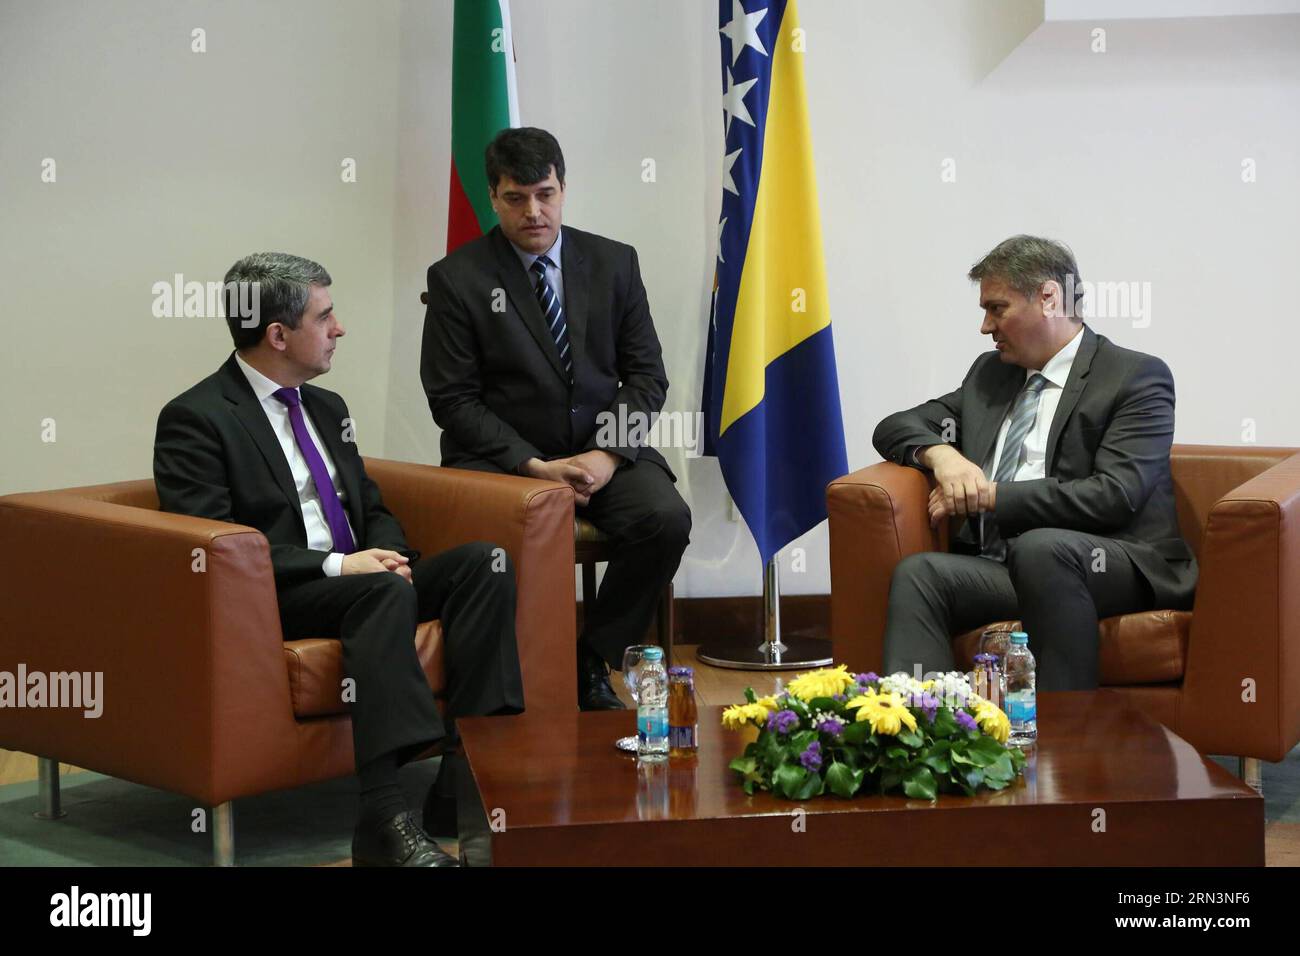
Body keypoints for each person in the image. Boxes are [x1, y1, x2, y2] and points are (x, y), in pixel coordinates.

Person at [154, 252, 524, 866]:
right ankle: (382, 815)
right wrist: (340, 568)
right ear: (278, 334)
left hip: (362, 580)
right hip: (279, 594)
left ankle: (462, 782)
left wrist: (392, 555)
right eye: (325, 316)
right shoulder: (197, 419)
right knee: (383, 592)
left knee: (484, 565)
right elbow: (218, 547)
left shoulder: (327, 407)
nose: (339, 328)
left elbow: (369, 507)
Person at [421, 127, 691, 711]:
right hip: (507, 461)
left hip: (603, 452)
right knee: (506, 541)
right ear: (492, 197)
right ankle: (511, 680)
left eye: (545, 194)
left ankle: (590, 661)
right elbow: (453, 399)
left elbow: (647, 376)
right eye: (515, 198)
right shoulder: (458, 279)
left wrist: (607, 454)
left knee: (664, 518)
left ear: (564, 188)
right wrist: (530, 463)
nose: (534, 212)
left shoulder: (614, 262)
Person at [872, 235, 1196, 690]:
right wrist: (943, 456)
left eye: (997, 308)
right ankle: (921, 735)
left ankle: (1065, 741)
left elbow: (1116, 494)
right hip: (1010, 565)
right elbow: (895, 425)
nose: (986, 326)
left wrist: (990, 496)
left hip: (1108, 560)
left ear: (1048, 297)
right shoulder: (991, 375)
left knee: (1041, 548)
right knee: (921, 574)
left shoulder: (1134, 376)